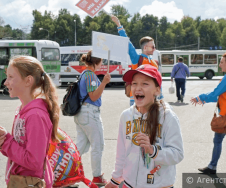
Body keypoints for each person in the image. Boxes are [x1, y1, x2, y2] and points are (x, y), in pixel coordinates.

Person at [105, 64, 184, 188]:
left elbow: (177, 154)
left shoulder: (167, 117)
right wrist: (115, 179)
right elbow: (121, 153)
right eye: (134, 83)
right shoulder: (126, 116)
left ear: (157, 90)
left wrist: (153, 151)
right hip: (129, 184)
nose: (137, 88)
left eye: (145, 84)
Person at [0, 55, 59, 187]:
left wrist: (7, 142)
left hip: (30, 183)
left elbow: (34, 161)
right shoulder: (22, 110)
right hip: (21, 181)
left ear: (28, 81)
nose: (5, 82)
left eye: (11, 77)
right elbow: (19, 149)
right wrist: (2, 143)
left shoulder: (35, 115)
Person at [74, 50, 111, 186]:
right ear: (97, 61)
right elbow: (94, 96)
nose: (102, 64)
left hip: (81, 113)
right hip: (90, 113)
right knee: (98, 145)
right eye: (101, 61)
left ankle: (66, 172)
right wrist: (104, 82)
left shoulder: (84, 73)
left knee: (80, 147)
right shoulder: (90, 75)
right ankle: (97, 177)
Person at [111, 15, 163, 106]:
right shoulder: (137, 58)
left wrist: (161, 97)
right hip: (137, 98)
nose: (155, 49)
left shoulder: (154, 62)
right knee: (136, 120)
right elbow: (127, 42)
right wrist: (119, 25)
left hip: (152, 99)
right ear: (145, 47)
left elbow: (157, 81)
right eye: (153, 46)